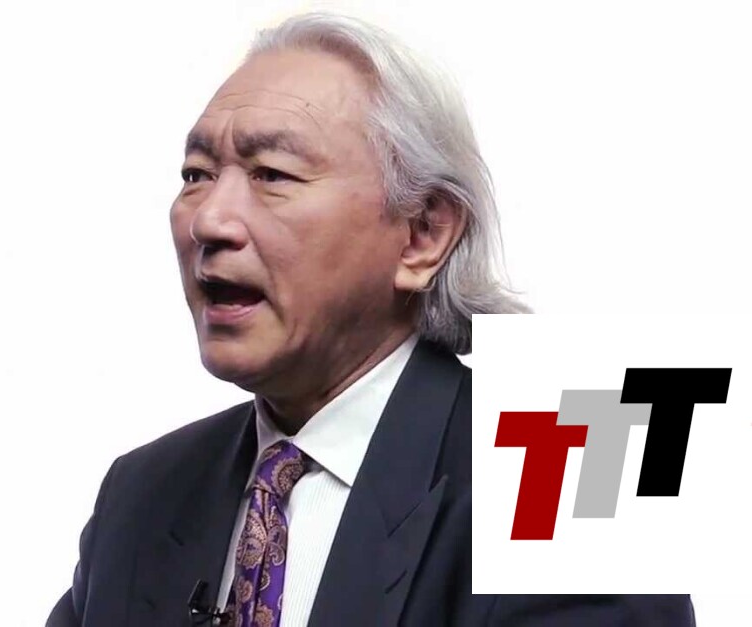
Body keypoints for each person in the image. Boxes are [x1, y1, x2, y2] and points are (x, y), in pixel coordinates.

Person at [46, 12, 695, 627]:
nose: (210, 220)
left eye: (272, 174)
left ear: (423, 234)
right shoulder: (141, 492)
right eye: (196, 174)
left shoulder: (579, 465)